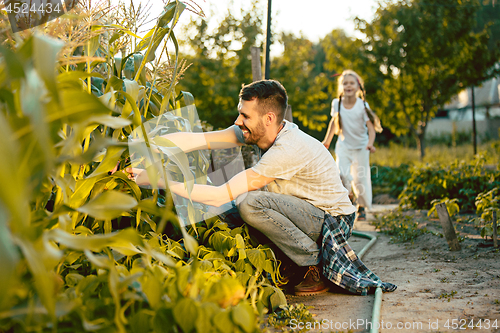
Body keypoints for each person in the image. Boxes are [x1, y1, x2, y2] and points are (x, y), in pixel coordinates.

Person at [127, 79, 356, 296]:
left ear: (268, 118)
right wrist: (142, 146)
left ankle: (312, 263)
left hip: (331, 222)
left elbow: (218, 195)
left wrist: (159, 179)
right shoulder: (260, 131)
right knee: (230, 206)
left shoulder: (287, 149)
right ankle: (289, 259)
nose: (238, 121)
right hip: (303, 212)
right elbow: (198, 140)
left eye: (245, 115)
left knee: (248, 203)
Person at [322, 70, 382, 221]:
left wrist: (370, 144)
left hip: (361, 147)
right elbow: (334, 123)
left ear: (358, 86)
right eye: (345, 83)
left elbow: (371, 128)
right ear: (341, 87)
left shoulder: (362, 105)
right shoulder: (337, 104)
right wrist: (327, 141)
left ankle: (361, 208)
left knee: (360, 178)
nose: (348, 85)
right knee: (341, 174)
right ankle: (348, 198)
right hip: (344, 146)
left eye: (351, 83)